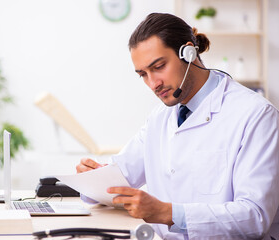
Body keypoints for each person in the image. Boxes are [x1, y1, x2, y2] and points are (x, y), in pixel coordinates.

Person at [76, 13, 279, 239]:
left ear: (189, 53)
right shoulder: (160, 118)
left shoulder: (256, 115)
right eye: (143, 74)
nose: (153, 84)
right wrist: (93, 178)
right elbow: (120, 178)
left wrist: (168, 213)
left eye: (159, 66)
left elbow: (254, 216)